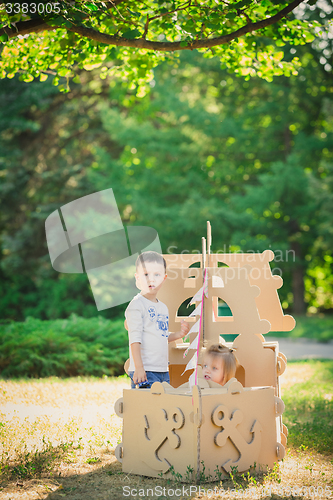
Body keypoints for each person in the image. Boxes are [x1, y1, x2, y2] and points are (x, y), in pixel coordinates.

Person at [125, 251, 190, 389]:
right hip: (145, 370)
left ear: (164, 278)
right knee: (147, 408)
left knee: (162, 407)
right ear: (137, 278)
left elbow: (161, 335)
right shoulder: (137, 305)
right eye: (146, 274)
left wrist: (179, 334)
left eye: (157, 275)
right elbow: (134, 339)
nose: (151, 279)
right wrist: (139, 367)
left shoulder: (162, 307)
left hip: (162, 370)